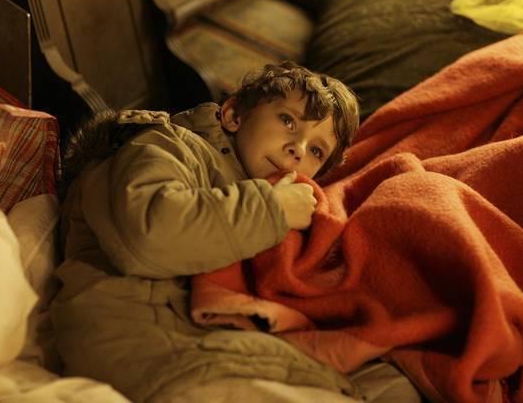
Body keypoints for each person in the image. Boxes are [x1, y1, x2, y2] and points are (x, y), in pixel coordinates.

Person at [51, 61, 368, 401]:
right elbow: (150, 234)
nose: (298, 149)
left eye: (316, 150)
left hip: (202, 341)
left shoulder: (258, 196)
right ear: (233, 116)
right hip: (138, 334)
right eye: (287, 120)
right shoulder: (168, 144)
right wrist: (272, 209)